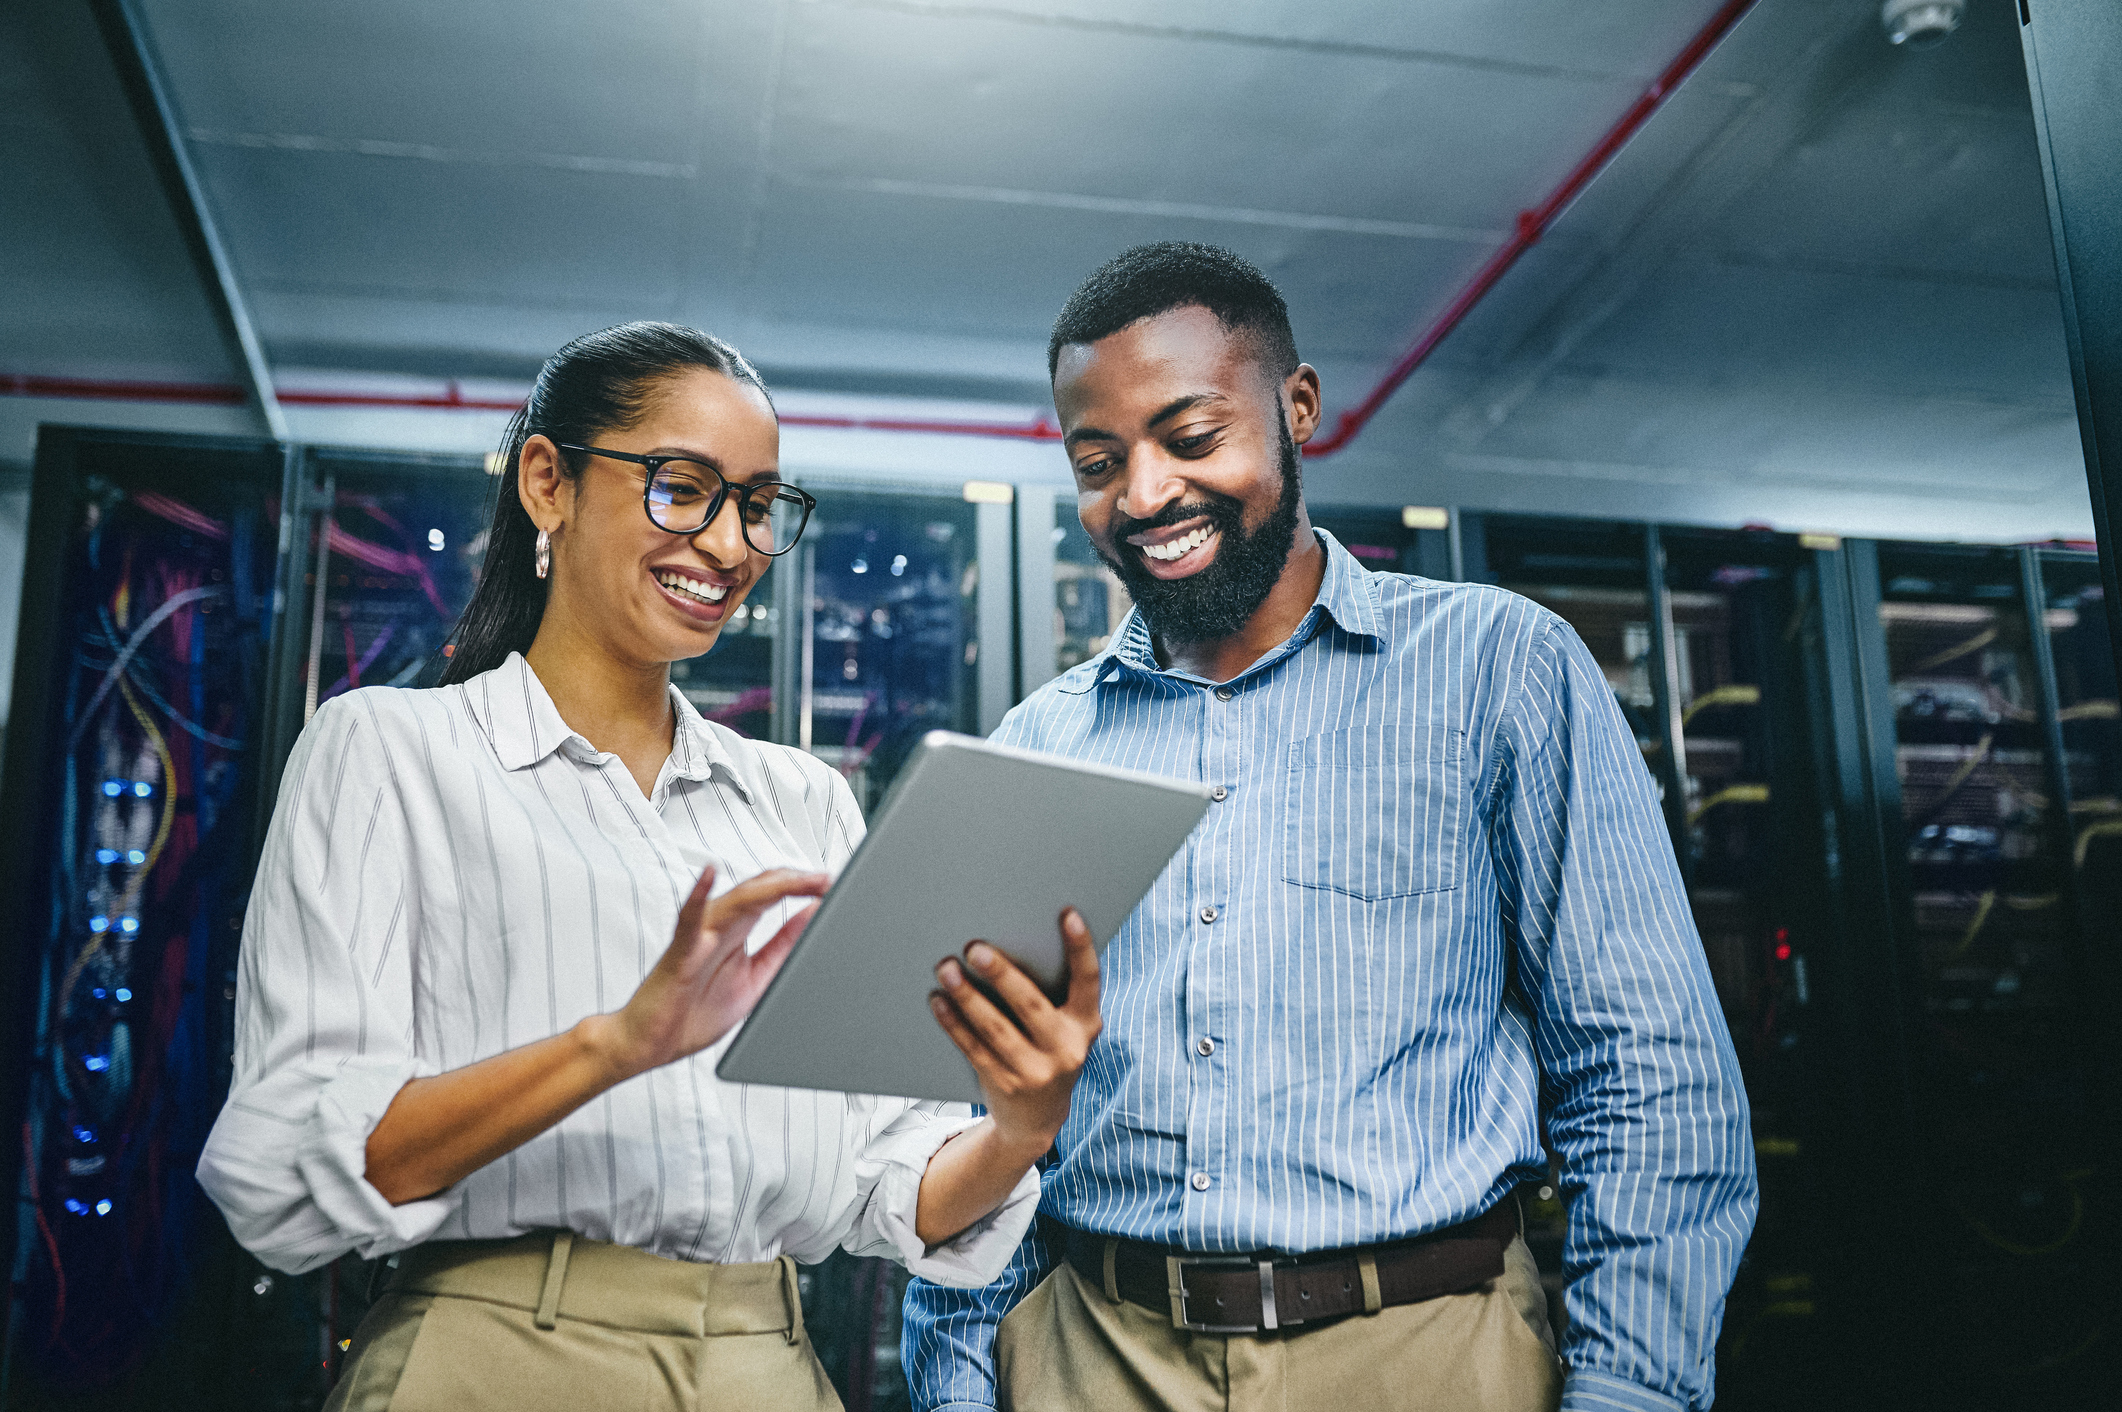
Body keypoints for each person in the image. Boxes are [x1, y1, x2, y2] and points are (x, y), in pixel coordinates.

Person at [903, 245, 1758, 1412]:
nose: (1144, 495)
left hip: (1425, 1354)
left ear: (1297, 407)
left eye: (1191, 438)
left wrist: (1632, 1394)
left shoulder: (1497, 669)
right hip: (1092, 1354)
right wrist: (955, 1390)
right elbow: (975, 1121)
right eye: (1099, 462)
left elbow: (1648, 1083)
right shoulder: (1037, 743)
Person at [198, 322, 1103, 1412]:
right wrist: (615, 1044)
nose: (728, 545)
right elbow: (286, 1168)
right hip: (494, 1358)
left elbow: (889, 1181)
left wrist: (1020, 1122)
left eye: (759, 506)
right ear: (549, 481)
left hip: (766, 1362)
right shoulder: (390, 753)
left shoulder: (803, 801)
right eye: (685, 488)